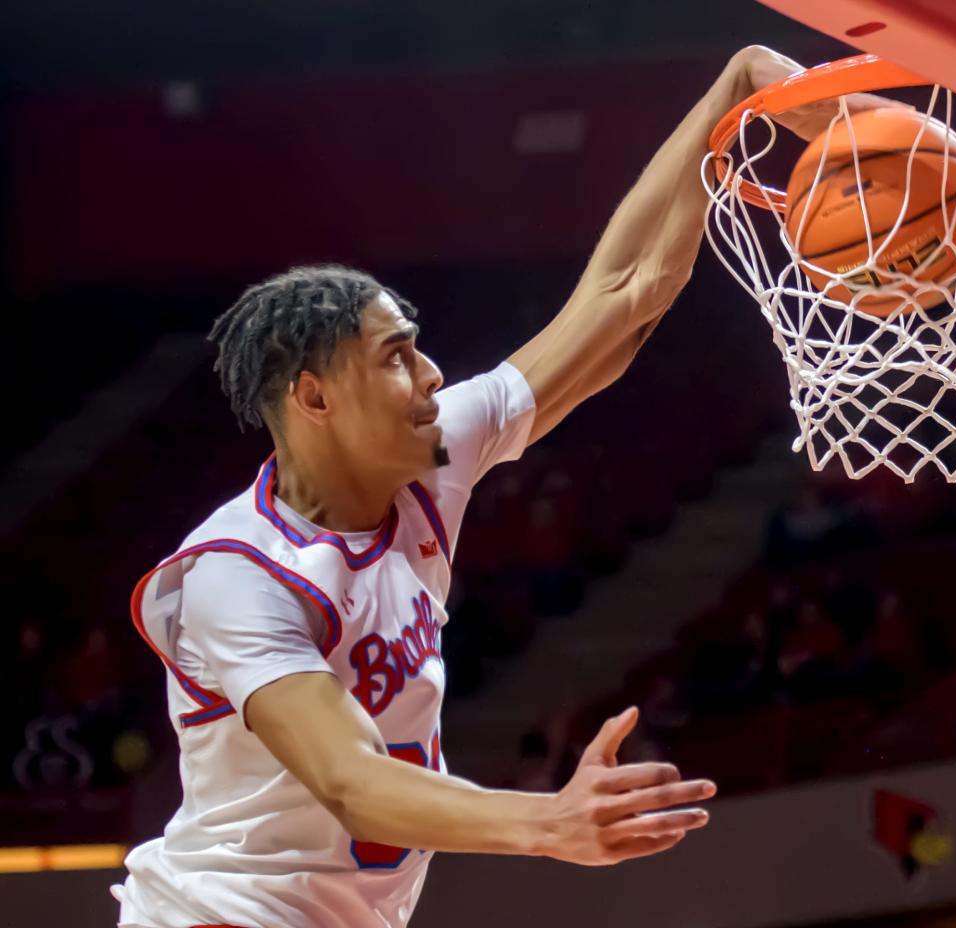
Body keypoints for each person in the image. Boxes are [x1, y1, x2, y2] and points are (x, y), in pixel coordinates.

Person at [114, 46, 887, 928]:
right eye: (397, 358)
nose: (436, 375)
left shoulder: (432, 458)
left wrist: (734, 93)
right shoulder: (238, 575)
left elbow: (623, 295)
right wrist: (548, 822)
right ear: (314, 396)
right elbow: (350, 781)